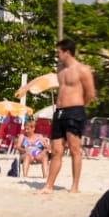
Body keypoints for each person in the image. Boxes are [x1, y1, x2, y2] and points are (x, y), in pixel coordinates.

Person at [39, 38, 96, 195]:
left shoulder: (82, 70)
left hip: (75, 111)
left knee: (74, 150)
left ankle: (75, 186)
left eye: (58, 52)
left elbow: (91, 93)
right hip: (59, 112)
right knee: (56, 151)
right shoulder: (60, 68)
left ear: (67, 52)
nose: (57, 55)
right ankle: (48, 186)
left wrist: (79, 107)